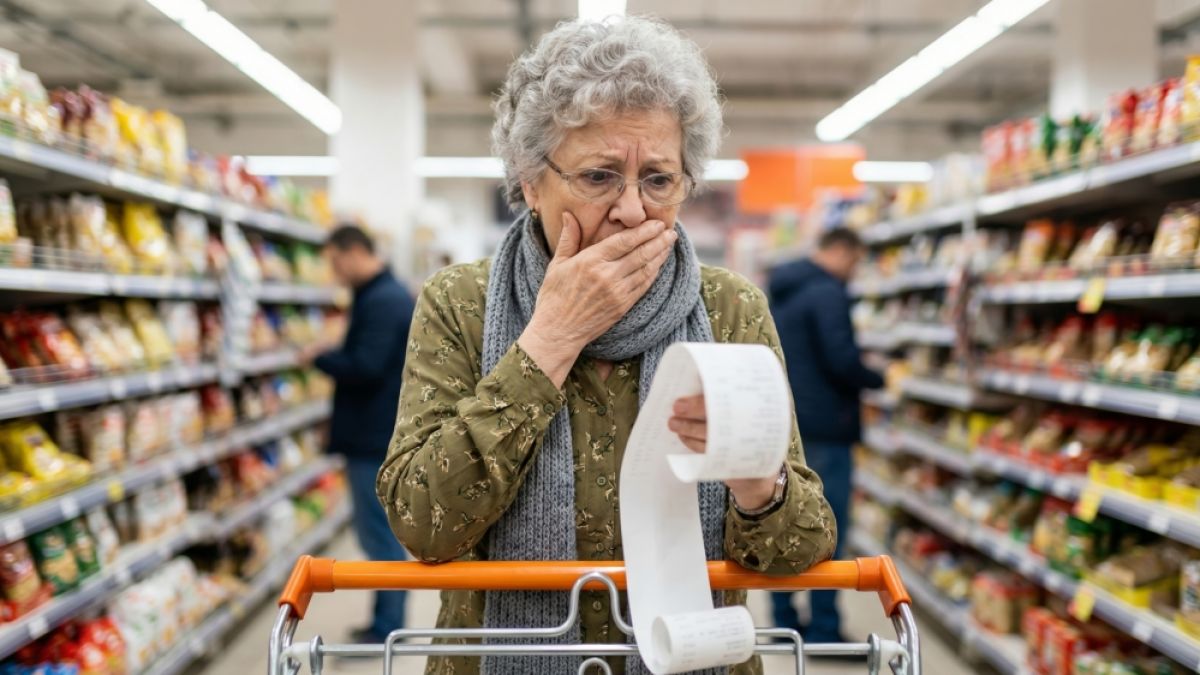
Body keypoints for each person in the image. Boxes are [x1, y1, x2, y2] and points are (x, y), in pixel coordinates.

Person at [376, 16, 836, 675]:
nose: (632, 210)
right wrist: (551, 338)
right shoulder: (460, 302)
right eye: (599, 177)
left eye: (659, 179)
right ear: (530, 181)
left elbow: (803, 548)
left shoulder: (730, 308)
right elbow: (421, 524)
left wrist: (758, 485)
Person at [766, 227, 885, 646]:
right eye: (855, 261)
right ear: (840, 251)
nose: (854, 271)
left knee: (783, 522)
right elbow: (840, 359)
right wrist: (877, 376)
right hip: (827, 427)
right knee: (827, 527)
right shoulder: (828, 292)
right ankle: (824, 629)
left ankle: (783, 622)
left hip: (788, 422)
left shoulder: (783, 289)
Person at [299, 224, 415, 645]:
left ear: (353, 252)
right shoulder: (382, 294)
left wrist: (321, 357)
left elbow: (366, 367)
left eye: (335, 261)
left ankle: (388, 627)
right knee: (377, 533)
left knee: (378, 534)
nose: (334, 272)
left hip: (373, 438)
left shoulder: (384, 300)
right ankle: (385, 621)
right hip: (374, 432)